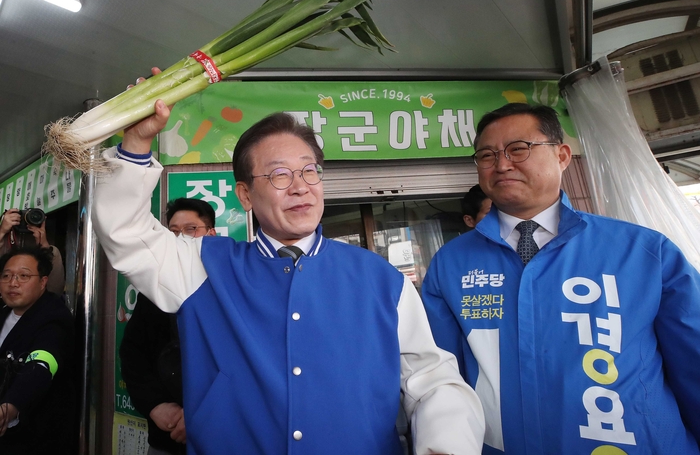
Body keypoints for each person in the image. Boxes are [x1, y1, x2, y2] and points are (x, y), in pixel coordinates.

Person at [92, 95, 485, 454]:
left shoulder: (380, 279)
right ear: (244, 195)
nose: (300, 188)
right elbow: (124, 233)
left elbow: (431, 378)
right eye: (280, 175)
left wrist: (445, 445)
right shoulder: (202, 267)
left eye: (309, 172)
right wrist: (138, 142)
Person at [422, 102, 700, 454]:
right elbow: (442, 378)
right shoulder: (451, 263)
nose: (502, 164)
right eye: (487, 155)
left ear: (562, 155)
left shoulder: (642, 250)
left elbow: (693, 362)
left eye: (518, 149)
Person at [120, 198, 217, 455]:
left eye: (191, 229)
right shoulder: (153, 290)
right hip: (167, 434)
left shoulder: (232, 285)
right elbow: (133, 354)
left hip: (224, 433)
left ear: (211, 234)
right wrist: (155, 405)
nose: (181, 238)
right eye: (173, 232)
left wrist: (201, 414)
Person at [0, 246, 75, 455]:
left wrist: (11, 406)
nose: (13, 283)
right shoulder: (4, 313)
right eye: (6, 276)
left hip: (37, 440)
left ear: (43, 282)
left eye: (24, 276)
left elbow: (41, 364)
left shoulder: (53, 318)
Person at [0, 209, 65, 296]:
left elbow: (55, 290)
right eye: (21, 214)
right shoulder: (4, 242)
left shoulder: (51, 252)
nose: (13, 283)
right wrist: (2, 232)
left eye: (24, 276)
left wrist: (45, 249)